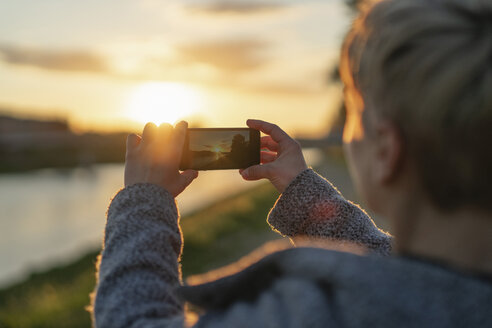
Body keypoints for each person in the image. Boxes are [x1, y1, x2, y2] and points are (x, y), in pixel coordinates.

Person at [91, 0, 492, 326]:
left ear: (386, 151)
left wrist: (144, 203)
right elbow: (394, 264)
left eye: (351, 114)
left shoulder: (310, 315)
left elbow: (134, 320)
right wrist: (303, 190)